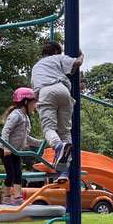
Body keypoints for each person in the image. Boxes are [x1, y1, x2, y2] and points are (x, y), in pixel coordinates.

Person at [31, 40, 84, 183]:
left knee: (49, 128)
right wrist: (81, 55)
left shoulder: (36, 67)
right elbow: (77, 63)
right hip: (64, 91)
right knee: (65, 132)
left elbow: (35, 89)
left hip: (45, 91)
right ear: (56, 52)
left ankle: (57, 145)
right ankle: (63, 172)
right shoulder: (58, 58)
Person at [0, 87, 43, 205]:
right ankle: (7, 197)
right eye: (34, 102)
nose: (35, 106)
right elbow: (5, 131)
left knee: (18, 173)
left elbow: (26, 138)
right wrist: (6, 147)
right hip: (5, 148)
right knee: (11, 173)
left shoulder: (26, 117)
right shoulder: (16, 115)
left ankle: (17, 198)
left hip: (16, 151)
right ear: (26, 102)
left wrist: (41, 142)